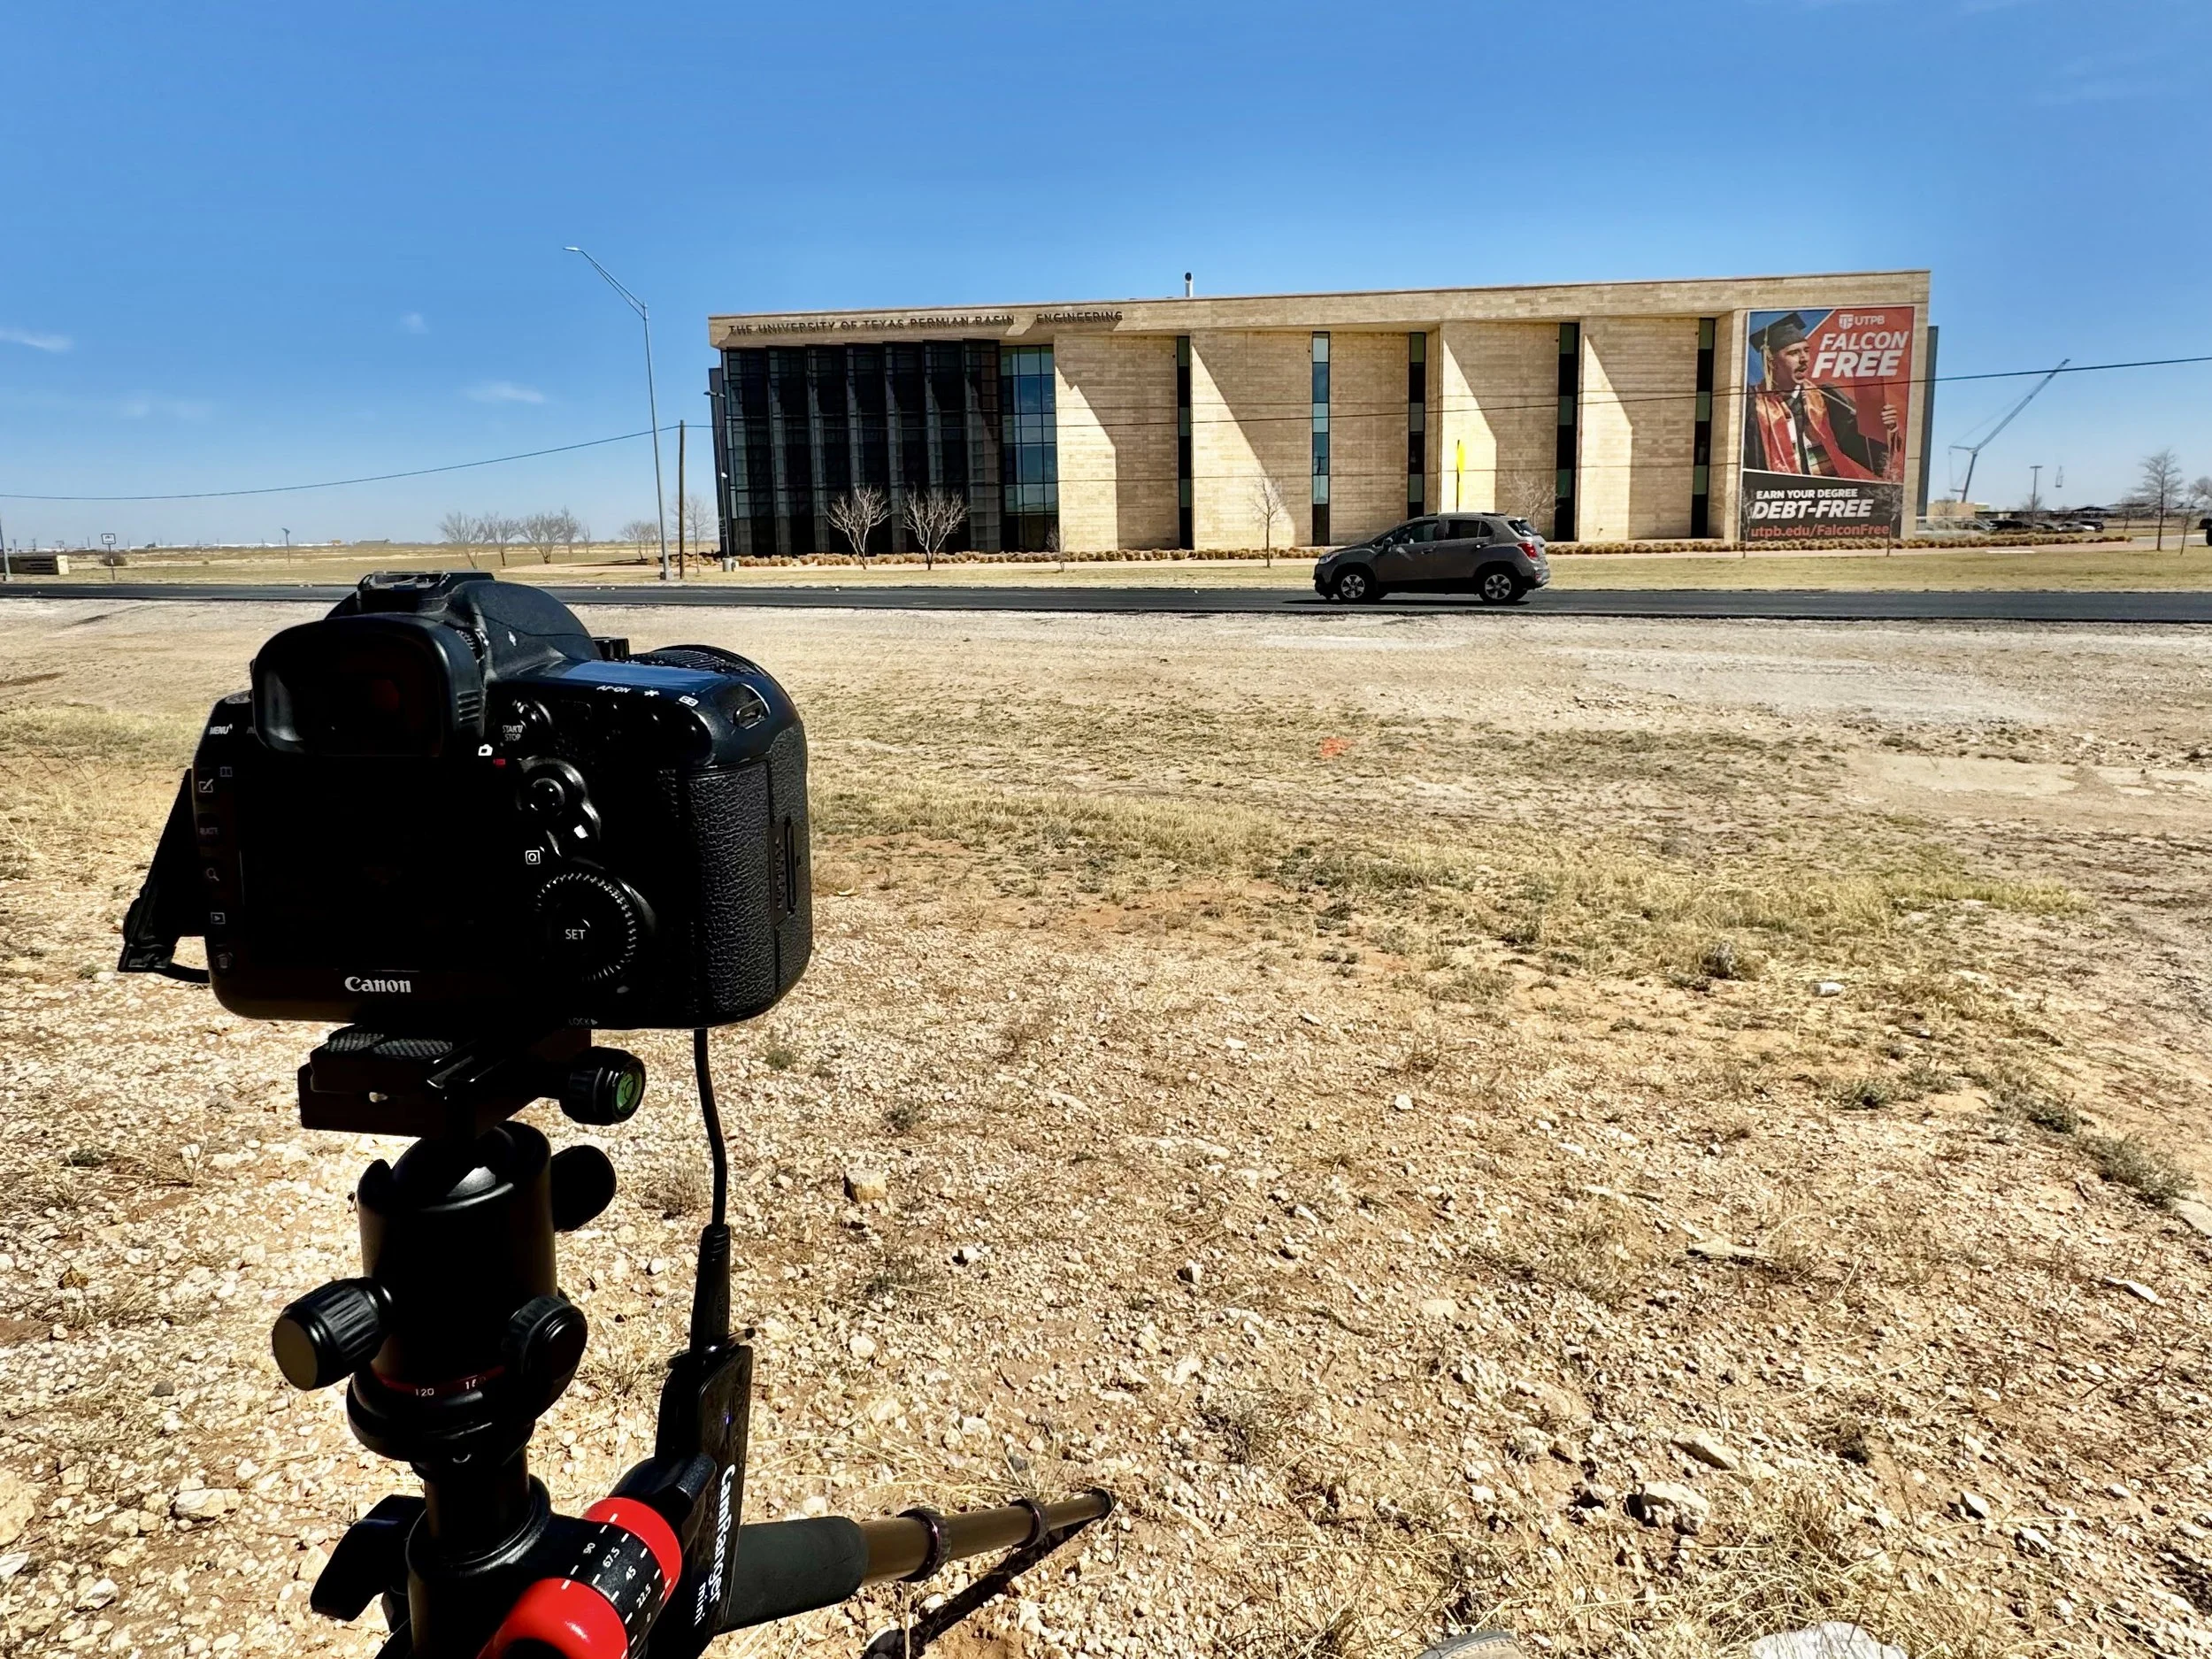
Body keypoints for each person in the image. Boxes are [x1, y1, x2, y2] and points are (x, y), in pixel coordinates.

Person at [1742, 312, 1906, 481]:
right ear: (1772, 362)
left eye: (1806, 350)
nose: (1804, 359)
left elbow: (1867, 452)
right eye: (1793, 353)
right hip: (1775, 499)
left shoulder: (1826, 398)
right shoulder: (1751, 404)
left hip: (1825, 497)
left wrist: (1886, 429)